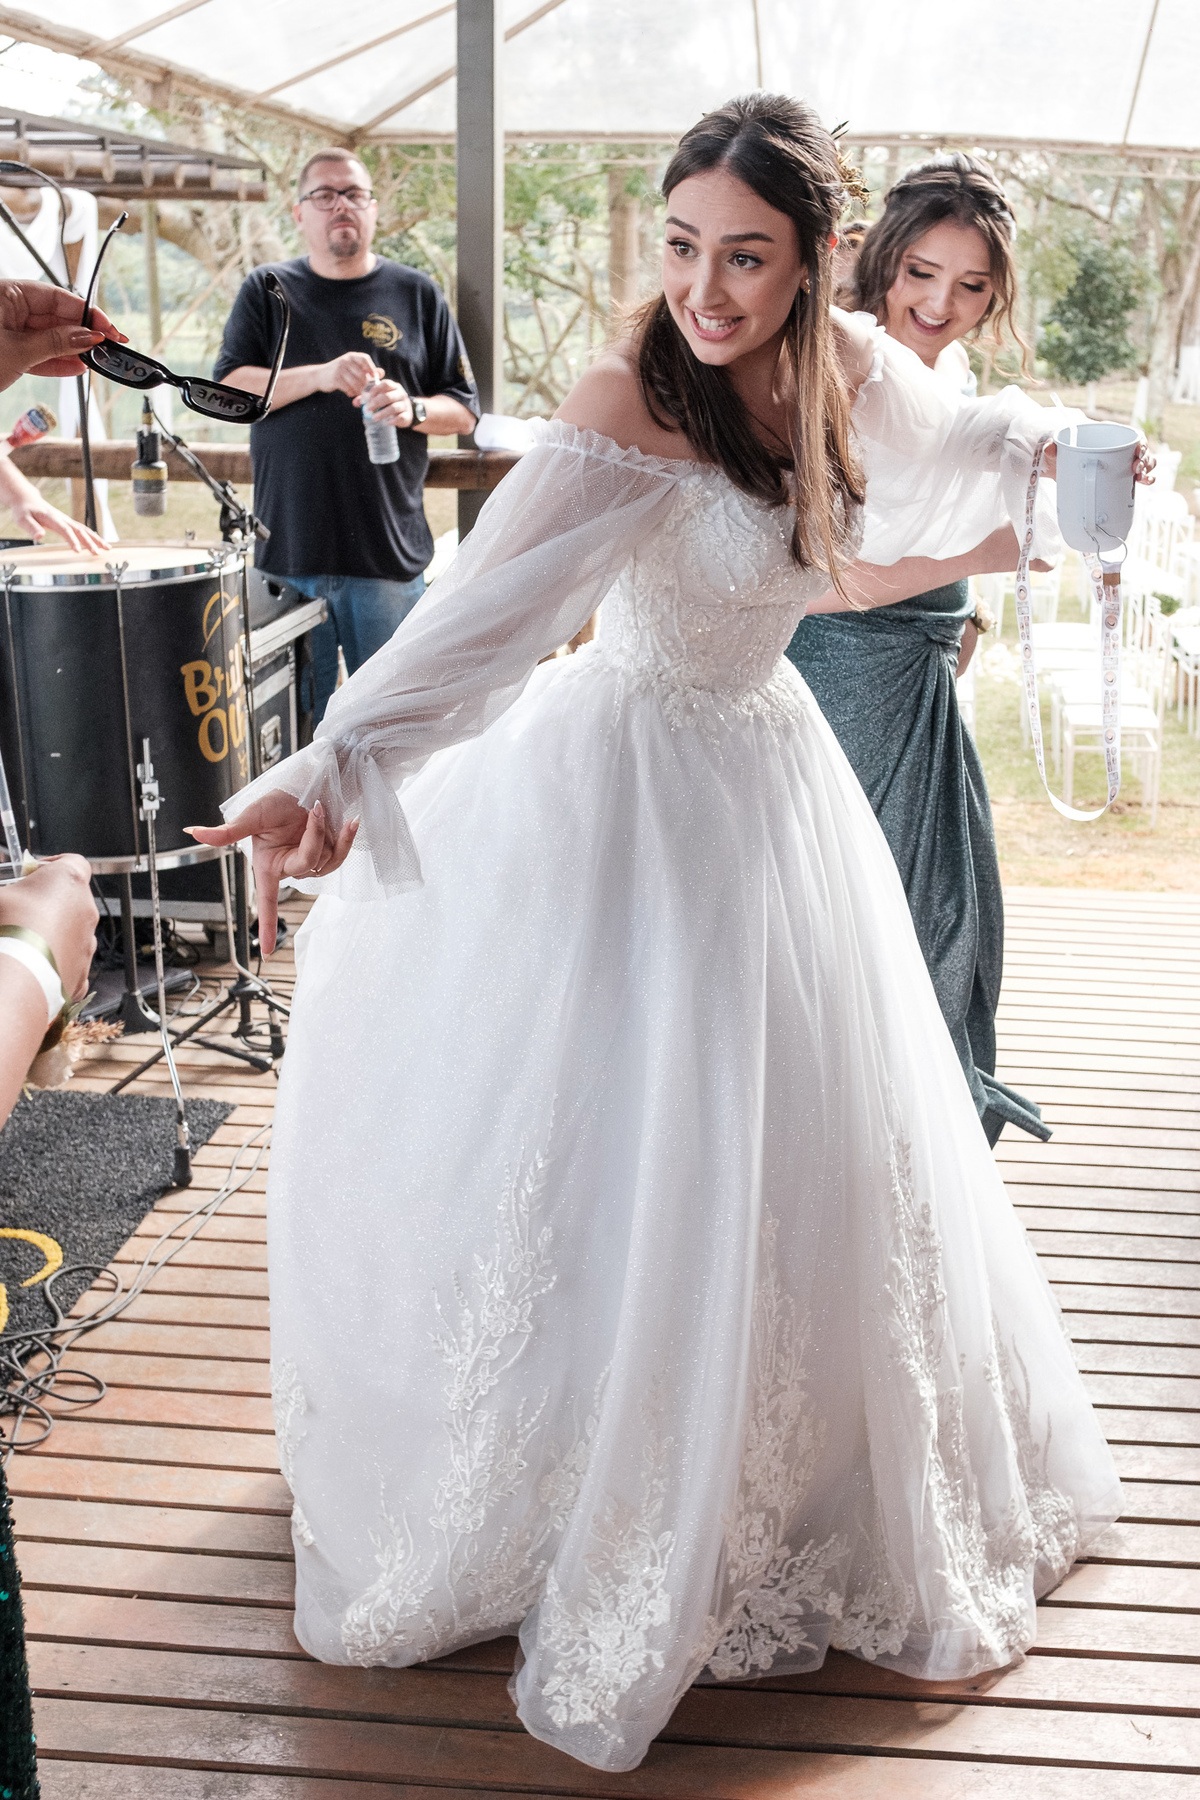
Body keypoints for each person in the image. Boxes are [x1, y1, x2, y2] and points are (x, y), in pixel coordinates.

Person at [189, 96, 1125, 1774]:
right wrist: (335, 758)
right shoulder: (635, 391)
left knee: (801, 1140)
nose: (705, 287)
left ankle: (795, 1464)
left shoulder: (853, 370)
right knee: (614, 1136)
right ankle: (576, 1464)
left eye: (746, 257)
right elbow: (488, 610)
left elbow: (961, 443)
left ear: (813, 263)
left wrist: (1054, 458)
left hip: (771, 782)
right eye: (684, 246)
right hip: (622, 787)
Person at [787, 153, 1100, 1145]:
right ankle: (872, 1135)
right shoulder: (841, 364)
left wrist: (965, 612)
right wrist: (988, 555)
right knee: (877, 910)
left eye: (970, 285)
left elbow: (963, 471)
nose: (940, 303)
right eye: (922, 272)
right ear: (883, 258)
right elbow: (809, 580)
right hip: (841, 672)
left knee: (953, 902)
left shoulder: (945, 375)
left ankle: (923, 1128)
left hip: (918, 670)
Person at [214, 147, 480, 723]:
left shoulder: (416, 293)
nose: (341, 206)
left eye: (354, 194)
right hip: (288, 553)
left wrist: (410, 408)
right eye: (325, 195)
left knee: (392, 732)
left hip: (386, 555)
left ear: (373, 209)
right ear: (299, 212)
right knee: (291, 736)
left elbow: (463, 412)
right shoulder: (268, 290)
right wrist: (321, 375)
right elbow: (229, 390)